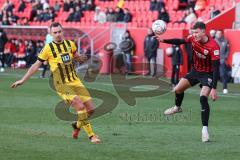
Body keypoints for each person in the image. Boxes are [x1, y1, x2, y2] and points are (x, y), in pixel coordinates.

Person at [11, 22, 100, 144]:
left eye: (59, 31)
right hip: (61, 83)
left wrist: (82, 58)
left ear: (63, 31)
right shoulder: (48, 48)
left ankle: (77, 125)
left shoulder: (70, 44)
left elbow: (76, 56)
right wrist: (23, 79)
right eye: (55, 32)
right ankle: (92, 136)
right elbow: (36, 65)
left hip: (75, 80)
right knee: (79, 105)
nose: (58, 34)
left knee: (91, 110)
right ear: (51, 34)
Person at [158, 22, 220, 142]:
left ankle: (205, 130)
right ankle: (177, 107)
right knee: (177, 89)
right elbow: (180, 41)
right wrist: (163, 40)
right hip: (195, 71)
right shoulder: (192, 38)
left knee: (202, 98)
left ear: (203, 31)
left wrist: (214, 88)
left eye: (197, 32)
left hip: (208, 74)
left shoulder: (214, 46)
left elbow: (216, 68)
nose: (194, 34)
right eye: (193, 32)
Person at [215, 30, 230, 94]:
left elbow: (227, 50)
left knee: (223, 74)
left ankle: (225, 88)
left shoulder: (225, 41)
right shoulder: (213, 41)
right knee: (213, 74)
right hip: (214, 60)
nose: (218, 34)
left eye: (219, 33)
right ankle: (211, 88)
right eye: (217, 33)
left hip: (222, 60)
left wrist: (225, 57)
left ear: (222, 34)